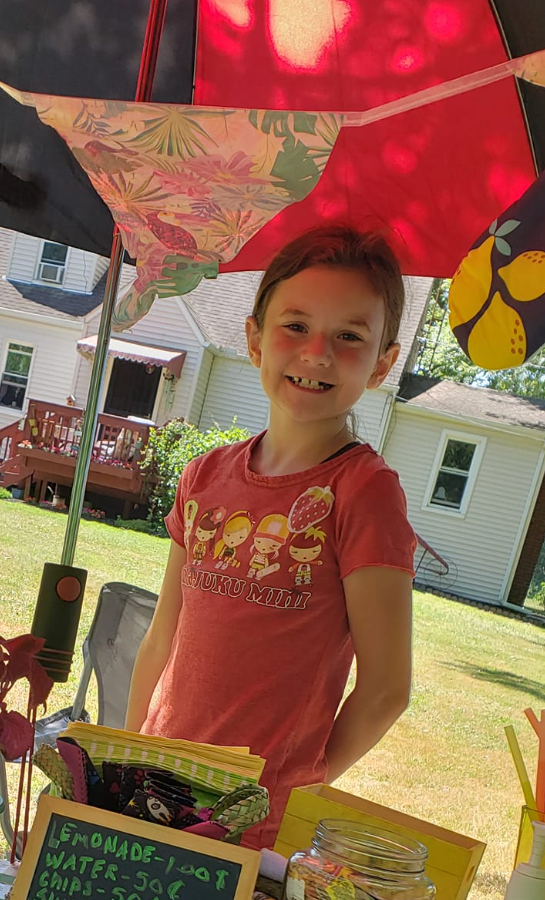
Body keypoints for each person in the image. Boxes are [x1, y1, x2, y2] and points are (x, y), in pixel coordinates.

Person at [125, 224, 416, 850]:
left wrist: (289, 793)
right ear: (255, 338)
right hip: (156, 790)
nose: (317, 353)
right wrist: (126, 764)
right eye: (295, 325)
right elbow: (161, 639)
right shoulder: (205, 475)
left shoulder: (364, 491)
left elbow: (388, 688)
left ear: (383, 363)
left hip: (253, 825)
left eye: (349, 336)